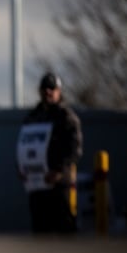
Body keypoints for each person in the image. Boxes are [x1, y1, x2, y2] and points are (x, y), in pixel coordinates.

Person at [19, 72, 82, 234]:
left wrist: (59, 171)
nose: (48, 91)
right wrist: (21, 169)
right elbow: (24, 146)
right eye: (44, 88)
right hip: (36, 184)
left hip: (58, 184)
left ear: (59, 91)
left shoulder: (66, 117)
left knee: (64, 228)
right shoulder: (33, 116)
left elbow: (75, 148)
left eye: (52, 88)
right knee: (40, 230)